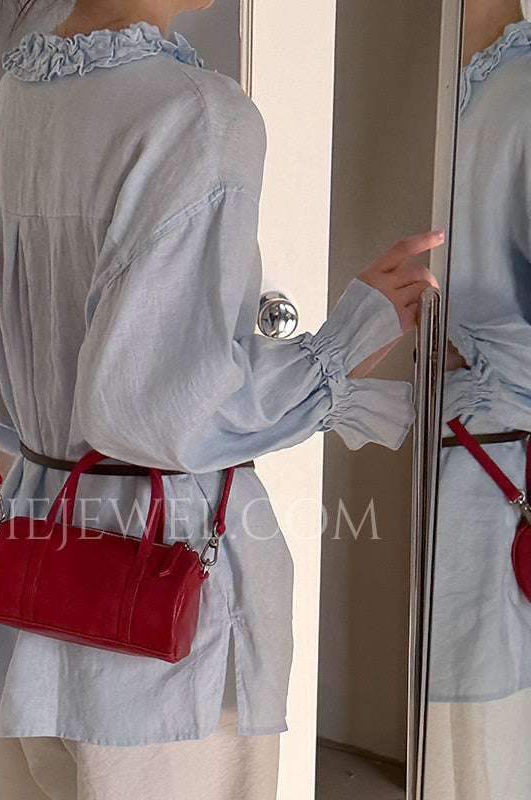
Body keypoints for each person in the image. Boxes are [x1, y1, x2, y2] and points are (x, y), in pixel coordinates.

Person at [0, 1, 441, 796]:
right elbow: (164, 407)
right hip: (163, 604)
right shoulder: (197, 115)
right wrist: (344, 344)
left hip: (37, 572)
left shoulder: (14, 99)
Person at [423, 1, 531, 797]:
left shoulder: (520, 93)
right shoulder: (437, 88)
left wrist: (471, 357)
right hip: (433, 471)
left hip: (493, 486)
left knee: (476, 761)